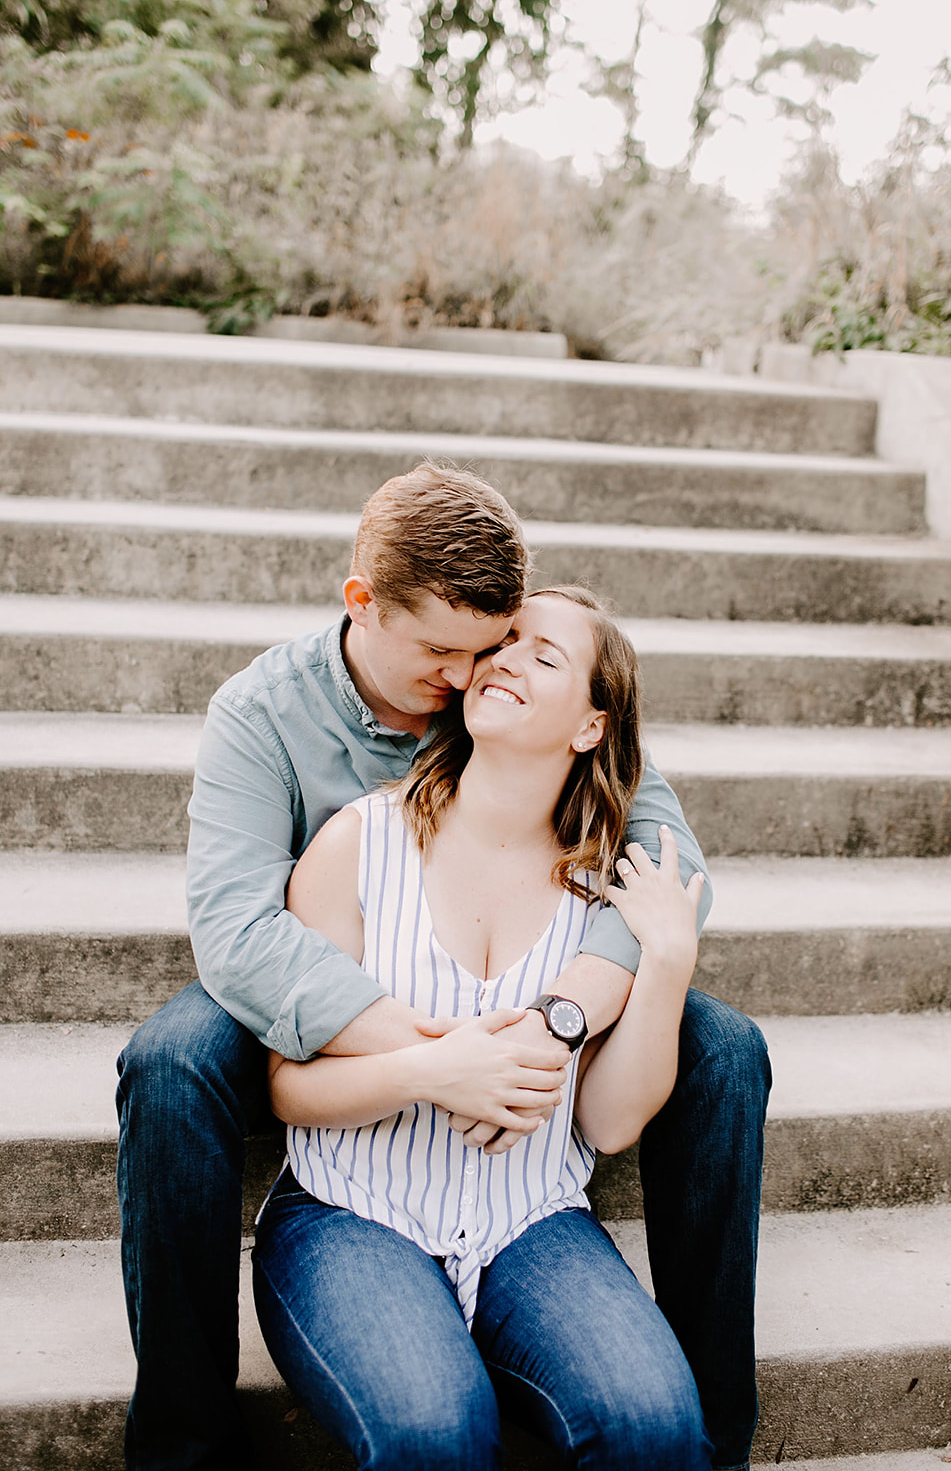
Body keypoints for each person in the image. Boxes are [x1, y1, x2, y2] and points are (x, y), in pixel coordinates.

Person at [115, 463, 770, 1471]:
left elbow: (667, 865)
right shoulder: (268, 719)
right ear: (362, 606)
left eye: (497, 646)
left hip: (522, 1087)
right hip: (308, 981)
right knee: (170, 1062)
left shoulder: (550, 731)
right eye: (442, 651)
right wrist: (435, 1049)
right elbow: (241, 936)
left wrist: (554, 1017)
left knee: (722, 1048)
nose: (471, 675)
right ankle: (183, 1441)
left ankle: (712, 1425)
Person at [254, 585, 711, 1468]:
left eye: (545, 657)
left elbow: (610, 1125)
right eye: (503, 644)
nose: (504, 661)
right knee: (435, 1437)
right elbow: (286, 1087)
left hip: (531, 1221)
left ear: (590, 728)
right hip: (351, 1215)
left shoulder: (607, 890)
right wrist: (427, 1072)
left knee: (655, 1429)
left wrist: (666, 966)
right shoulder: (360, 843)